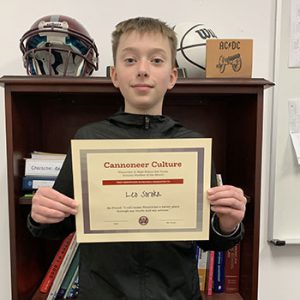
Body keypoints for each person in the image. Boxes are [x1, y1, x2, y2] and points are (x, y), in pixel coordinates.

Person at [27, 17, 246, 300]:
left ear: (172, 76)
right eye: (130, 60)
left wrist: (228, 224)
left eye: (156, 60)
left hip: (177, 295)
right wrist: (40, 215)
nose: (143, 70)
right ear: (115, 75)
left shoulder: (192, 146)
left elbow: (209, 239)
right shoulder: (89, 140)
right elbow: (58, 225)